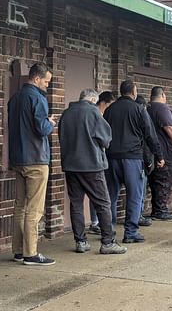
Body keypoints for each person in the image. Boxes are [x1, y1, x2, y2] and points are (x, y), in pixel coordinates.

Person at [58, 89, 128, 255]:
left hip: (70, 165)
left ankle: (80, 242)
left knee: (76, 204)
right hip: (91, 165)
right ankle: (108, 242)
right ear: (92, 100)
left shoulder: (66, 114)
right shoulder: (93, 113)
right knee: (103, 203)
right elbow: (106, 140)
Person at [8, 62, 58, 266]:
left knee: (20, 206)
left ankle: (18, 250)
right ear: (36, 78)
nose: (47, 85)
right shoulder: (37, 97)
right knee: (35, 209)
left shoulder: (15, 99)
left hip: (18, 158)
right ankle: (31, 253)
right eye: (46, 81)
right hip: (36, 158)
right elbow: (41, 129)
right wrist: (51, 123)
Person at [103, 80, 163, 244]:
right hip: (132, 158)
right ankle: (131, 232)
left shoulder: (109, 110)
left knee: (111, 197)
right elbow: (150, 135)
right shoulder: (138, 109)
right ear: (134, 92)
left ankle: (109, 232)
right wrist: (159, 156)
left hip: (111, 158)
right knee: (134, 196)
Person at [146, 86, 172, 221]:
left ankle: (158, 209)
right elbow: (169, 127)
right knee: (165, 182)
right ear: (163, 95)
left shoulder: (148, 108)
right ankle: (160, 210)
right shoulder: (162, 109)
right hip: (167, 154)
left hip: (158, 153)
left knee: (158, 183)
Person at [87, 91, 118, 236]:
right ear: (104, 103)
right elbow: (104, 140)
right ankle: (96, 223)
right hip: (96, 160)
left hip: (92, 160)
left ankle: (96, 222)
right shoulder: (96, 115)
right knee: (100, 195)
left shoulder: (94, 115)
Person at [135, 95, 155, 227]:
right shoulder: (142, 117)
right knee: (139, 191)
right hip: (140, 160)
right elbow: (147, 142)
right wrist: (149, 161)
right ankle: (138, 216)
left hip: (128, 158)